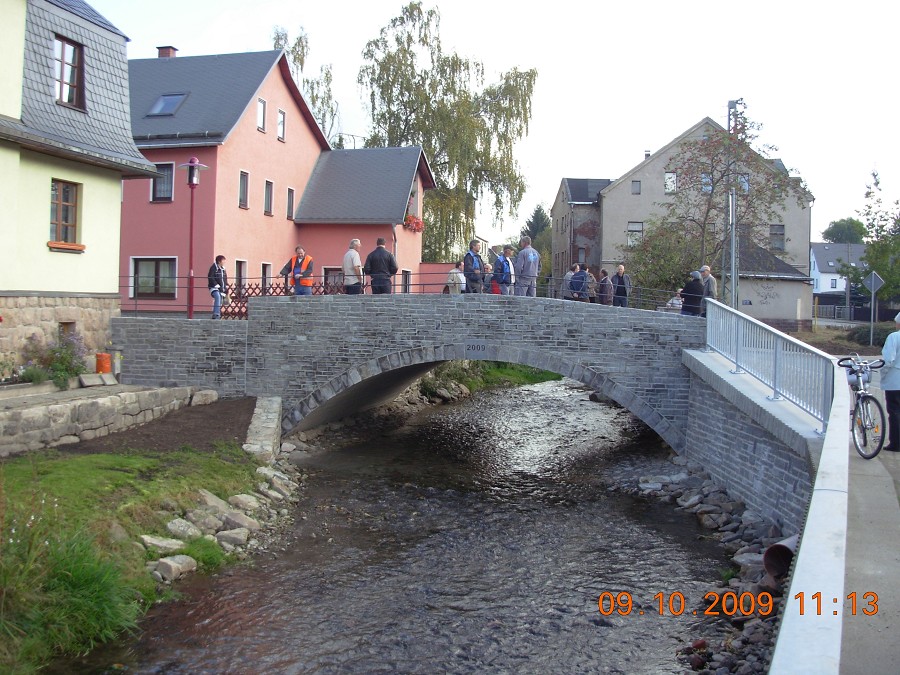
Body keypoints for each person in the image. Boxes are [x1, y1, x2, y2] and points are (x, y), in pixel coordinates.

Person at [881, 312, 900, 452]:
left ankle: (895, 443)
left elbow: (889, 360)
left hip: (895, 380)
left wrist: (883, 374)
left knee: (894, 411)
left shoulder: (894, 337)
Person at [207, 255, 227, 319]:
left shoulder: (223, 269)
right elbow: (210, 277)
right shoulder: (213, 268)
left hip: (221, 288)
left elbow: (225, 279)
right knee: (217, 296)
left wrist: (225, 287)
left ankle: (217, 314)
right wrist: (216, 285)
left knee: (220, 300)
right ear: (219, 261)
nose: (224, 262)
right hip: (213, 287)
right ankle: (216, 314)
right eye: (223, 260)